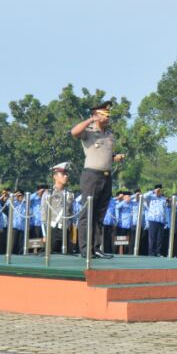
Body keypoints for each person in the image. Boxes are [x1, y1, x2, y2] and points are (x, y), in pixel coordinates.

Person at [69, 101, 122, 259]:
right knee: (87, 214)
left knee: (100, 214)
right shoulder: (89, 132)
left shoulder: (109, 134)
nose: (107, 117)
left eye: (108, 115)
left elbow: (104, 154)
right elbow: (74, 132)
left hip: (106, 176)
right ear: (96, 115)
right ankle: (85, 250)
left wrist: (114, 158)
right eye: (104, 114)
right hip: (91, 176)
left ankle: (97, 247)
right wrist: (91, 120)